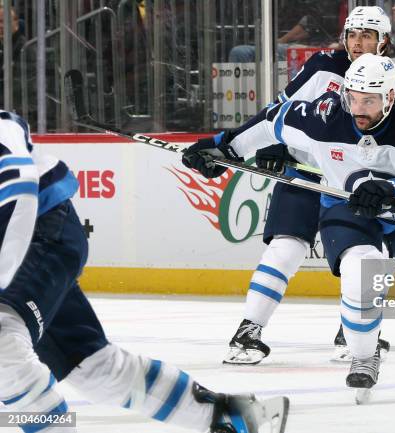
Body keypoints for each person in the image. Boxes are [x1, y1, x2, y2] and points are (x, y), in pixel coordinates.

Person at [182, 53, 395, 399]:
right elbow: (271, 121)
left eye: (368, 100)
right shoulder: (324, 115)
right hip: (346, 207)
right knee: (362, 272)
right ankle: (363, 355)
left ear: (389, 98)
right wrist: (224, 148)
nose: (357, 108)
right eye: (352, 97)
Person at [0, 111, 289, 433]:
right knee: (93, 368)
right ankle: (230, 417)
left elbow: (19, 185)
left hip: (40, 233)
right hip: (29, 242)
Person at [223, 5, 395, 366]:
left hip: (355, 185)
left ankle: (355, 332)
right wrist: (274, 144)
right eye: (353, 34)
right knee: (286, 247)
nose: (358, 43)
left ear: (385, 41)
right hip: (305, 172)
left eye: (367, 36)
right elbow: (281, 110)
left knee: (364, 259)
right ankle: (248, 330)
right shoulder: (322, 65)